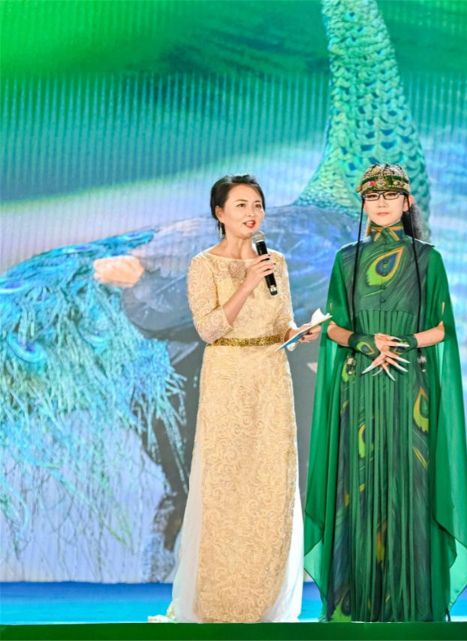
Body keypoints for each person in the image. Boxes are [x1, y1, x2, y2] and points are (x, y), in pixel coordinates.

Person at [304, 164, 467, 622]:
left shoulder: (429, 259)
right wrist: (366, 343)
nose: (380, 204)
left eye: (390, 196)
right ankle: (357, 604)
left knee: (411, 489)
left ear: (407, 202)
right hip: (360, 386)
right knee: (356, 490)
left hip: (409, 389)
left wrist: (399, 343)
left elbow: (442, 328)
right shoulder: (346, 259)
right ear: (363, 204)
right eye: (372, 197)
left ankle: (410, 606)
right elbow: (333, 326)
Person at [163, 174, 320, 622]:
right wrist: (248, 282)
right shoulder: (204, 265)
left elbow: (281, 321)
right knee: (227, 484)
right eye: (241, 205)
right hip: (228, 376)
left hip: (271, 376)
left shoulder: (276, 261)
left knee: (270, 485)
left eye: (257, 205)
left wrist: (300, 332)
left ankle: (261, 600)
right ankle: (218, 601)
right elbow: (209, 329)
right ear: (220, 213)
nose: (252, 214)